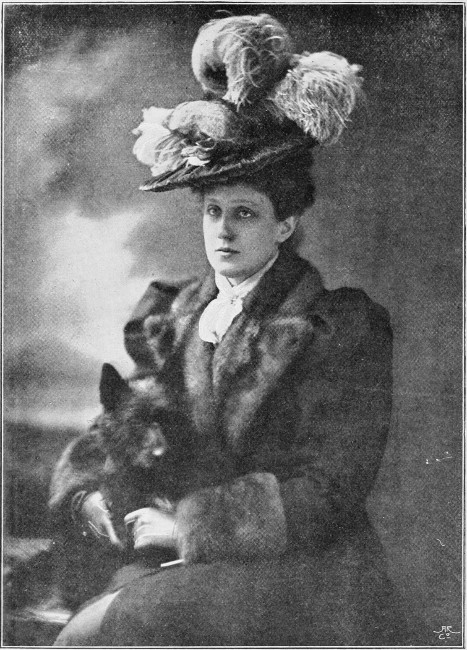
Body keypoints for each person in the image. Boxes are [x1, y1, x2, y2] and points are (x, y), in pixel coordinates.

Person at [50, 13, 419, 646]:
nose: (223, 231)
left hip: (302, 570)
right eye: (213, 212)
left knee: (100, 633)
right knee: (87, 624)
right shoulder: (178, 315)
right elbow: (128, 420)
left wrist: (189, 528)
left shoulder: (337, 328)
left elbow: (331, 488)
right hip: (191, 556)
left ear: (284, 226)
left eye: (245, 214)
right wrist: (88, 494)